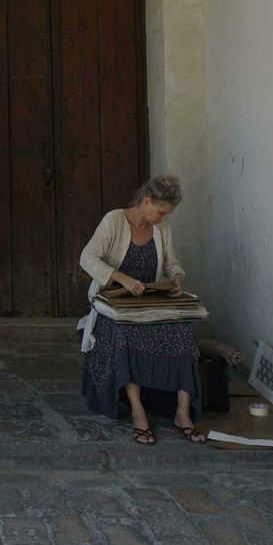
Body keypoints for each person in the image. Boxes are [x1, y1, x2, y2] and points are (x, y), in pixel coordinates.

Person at [77, 174, 206, 445]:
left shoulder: (162, 230)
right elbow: (87, 258)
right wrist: (122, 278)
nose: (163, 218)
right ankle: (138, 413)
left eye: (167, 214)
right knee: (124, 337)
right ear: (146, 201)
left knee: (183, 332)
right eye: (161, 212)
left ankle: (183, 413)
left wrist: (177, 277)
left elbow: (172, 264)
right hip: (115, 306)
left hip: (149, 306)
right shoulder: (114, 221)